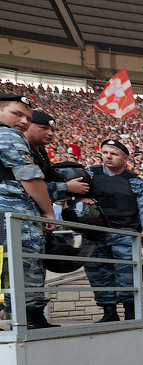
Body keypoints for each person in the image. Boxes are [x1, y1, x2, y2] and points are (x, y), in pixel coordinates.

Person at [82, 140, 143, 322]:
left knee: (127, 273)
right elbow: (73, 192)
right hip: (94, 232)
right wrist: (82, 197)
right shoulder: (90, 174)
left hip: (123, 232)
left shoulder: (134, 180)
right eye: (105, 152)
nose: (108, 156)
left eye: (114, 154)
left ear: (125, 158)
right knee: (98, 273)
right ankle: (109, 312)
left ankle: (130, 313)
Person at [0, 94, 58, 328]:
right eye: (17, 114)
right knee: (25, 263)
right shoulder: (7, 135)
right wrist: (48, 211)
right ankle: (28, 318)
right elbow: (30, 177)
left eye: (27, 117)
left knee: (3, 264)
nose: (24, 121)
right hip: (12, 212)